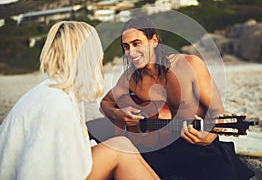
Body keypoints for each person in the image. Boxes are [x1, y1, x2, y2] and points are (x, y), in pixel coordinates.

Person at [0, 21, 160, 180]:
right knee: (120, 150)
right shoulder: (56, 103)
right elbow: (38, 171)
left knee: (121, 144)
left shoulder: (56, 91)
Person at [100, 17, 255, 179]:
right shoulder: (131, 78)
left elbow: (217, 110)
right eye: (126, 47)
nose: (131, 52)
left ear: (153, 41)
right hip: (161, 147)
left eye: (136, 43)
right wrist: (119, 115)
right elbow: (106, 102)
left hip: (198, 146)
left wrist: (209, 136)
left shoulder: (190, 65)